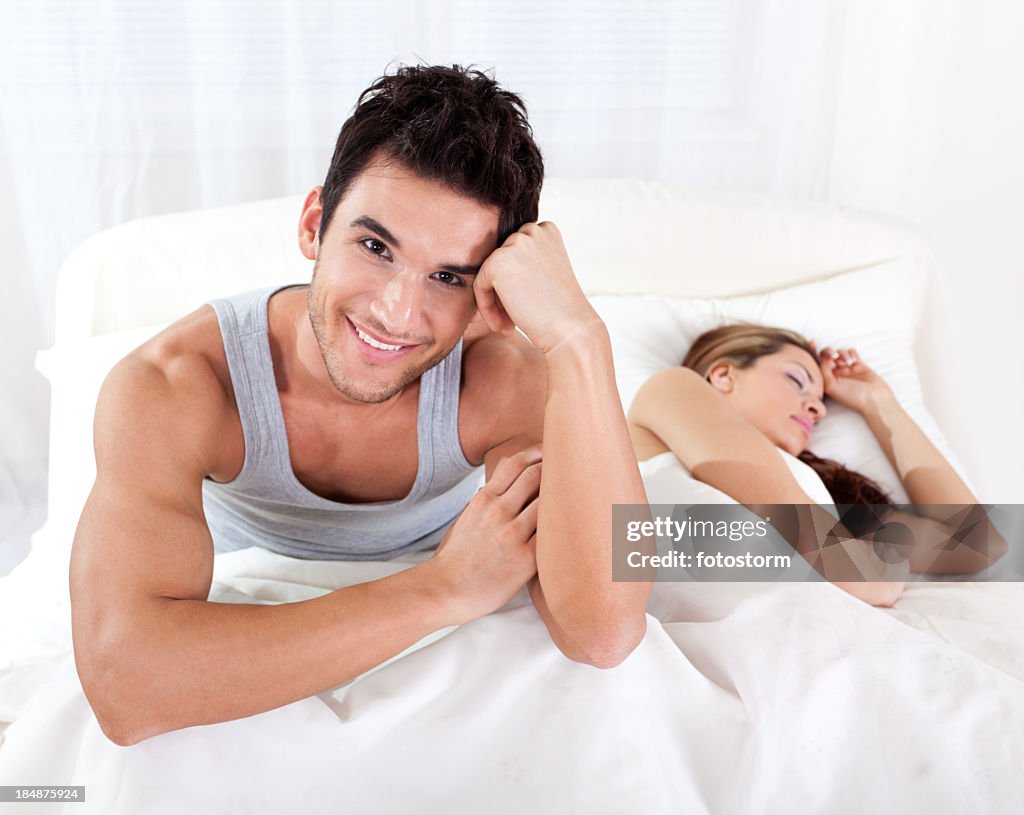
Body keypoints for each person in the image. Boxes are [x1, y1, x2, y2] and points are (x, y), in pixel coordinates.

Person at [70, 65, 651, 747]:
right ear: (315, 224)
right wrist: (442, 588)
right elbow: (127, 690)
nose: (397, 313)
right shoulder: (177, 383)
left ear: (485, 290)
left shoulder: (500, 383)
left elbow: (604, 632)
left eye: (447, 277)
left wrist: (580, 338)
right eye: (376, 247)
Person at [627, 324, 1007, 606]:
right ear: (724, 374)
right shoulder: (673, 389)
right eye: (797, 380)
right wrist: (870, 569)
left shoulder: (823, 495)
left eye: (822, 403)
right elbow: (868, 580)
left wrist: (879, 404)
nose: (818, 407)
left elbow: (978, 544)